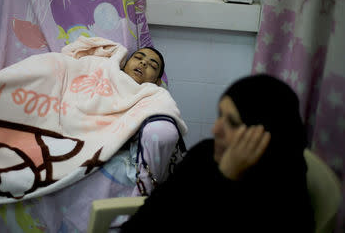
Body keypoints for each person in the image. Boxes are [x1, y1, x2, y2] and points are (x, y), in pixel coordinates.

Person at [120, 74, 314, 233]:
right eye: (220, 115)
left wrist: (225, 179)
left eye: (233, 123)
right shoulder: (205, 154)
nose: (215, 129)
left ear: (265, 136)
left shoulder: (288, 197)